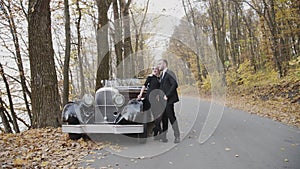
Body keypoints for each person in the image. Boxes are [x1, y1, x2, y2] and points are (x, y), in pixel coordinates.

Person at [157, 59, 180, 143]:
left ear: (165, 64)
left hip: (169, 100)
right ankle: (164, 137)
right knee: (164, 118)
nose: (158, 65)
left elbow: (174, 84)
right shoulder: (162, 74)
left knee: (171, 117)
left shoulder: (170, 73)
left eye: (160, 64)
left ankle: (177, 136)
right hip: (162, 101)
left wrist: (167, 95)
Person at [137, 67, 163, 139]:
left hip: (154, 97)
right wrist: (140, 94)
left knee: (157, 114)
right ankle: (157, 130)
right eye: (153, 69)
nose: (154, 70)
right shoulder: (150, 77)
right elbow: (144, 86)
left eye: (156, 69)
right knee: (150, 114)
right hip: (149, 96)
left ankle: (156, 130)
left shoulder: (159, 79)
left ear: (158, 71)